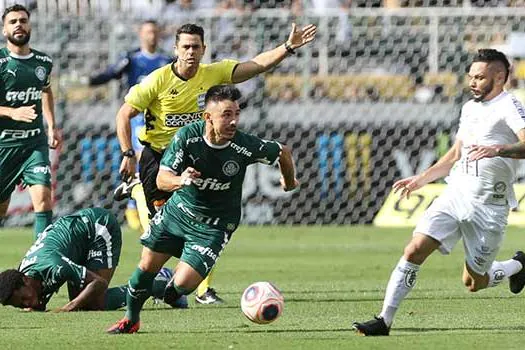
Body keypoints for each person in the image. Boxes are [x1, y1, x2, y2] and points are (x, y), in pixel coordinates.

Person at [115, 22, 316, 305]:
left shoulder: (214, 73)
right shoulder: (157, 80)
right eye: (185, 46)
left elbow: (256, 65)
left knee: (207, 219)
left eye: (196, 47)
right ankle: (139, 194)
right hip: (161, 158)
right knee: (161, 232)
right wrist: (127, 154)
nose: (190, 52)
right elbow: (124, 114)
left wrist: (287, 47)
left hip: (199, 155)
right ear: (175, 49)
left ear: (204, 49)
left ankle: (200, 289)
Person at [353, 49, 525, 336]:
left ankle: (517, 266)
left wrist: (499, 149)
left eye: (479, 77)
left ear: (498, 76)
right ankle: (384, 320)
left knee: (474, 283)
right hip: (455, 194)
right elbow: (457, 153)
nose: (472, 82)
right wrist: (422, 179)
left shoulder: (511, 107)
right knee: (414, 249)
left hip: (489, 206)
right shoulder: (469, 108)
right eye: (470, 76)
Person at [107, 85, 299, 334]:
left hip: (214, 226)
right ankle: (131, 320)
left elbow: (283, 151)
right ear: (207, 117)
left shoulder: (244, 146)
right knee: (145, 267)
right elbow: (161, 180)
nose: (233, 121)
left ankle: (167, 288)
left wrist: (289, 181)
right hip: (179, 213)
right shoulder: (188, 137)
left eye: (236, 114)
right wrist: (180, 180)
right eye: (226, 115)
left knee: (184, 286)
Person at [0, 207, 183, 311]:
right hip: (74, 243)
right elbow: (39, 295)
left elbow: (99, 283)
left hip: (98, 229)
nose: (27, 305)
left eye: (25, 298)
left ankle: (159, 282)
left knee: (93, 303)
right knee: (83, 301)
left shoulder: (53, 265)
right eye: (20, 305)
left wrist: (69, 306)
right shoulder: (27, 275)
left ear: (25, 280)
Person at [89, 19, 172, 232]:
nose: (151, 36)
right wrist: (90, 80)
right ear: (140, 34)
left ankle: (145, 202)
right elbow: (110, 74)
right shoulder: (132, 59)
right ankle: (133, 204)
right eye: (147, 32)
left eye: (154, 32)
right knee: (140, 155)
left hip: (161, 119)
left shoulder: (166, 61)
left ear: (159, 34)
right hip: (137, 117)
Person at [0, 4, 61, 240]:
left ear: (30, 25)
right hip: (4, 146)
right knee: (2, 209)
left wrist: (51, 125)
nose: (19, 25)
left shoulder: (43, 61)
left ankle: (39, 267)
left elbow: (46, 90)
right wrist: (11, 113)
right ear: (5, 30)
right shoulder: (2, 63)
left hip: (34, 145)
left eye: (23, 20)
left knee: (44, 199)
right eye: (13, 21)